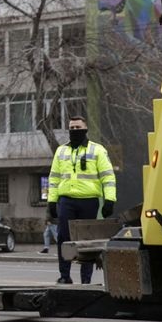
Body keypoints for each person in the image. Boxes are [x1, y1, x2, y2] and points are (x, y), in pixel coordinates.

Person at [47, 115, 116, 284]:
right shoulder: (61, 151)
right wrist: (51, 201)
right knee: (64, 238)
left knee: (87, 241)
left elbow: (108, 177)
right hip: (66, 200)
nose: (75, 131)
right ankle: (65, 276)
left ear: (85, 129)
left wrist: (109, 200)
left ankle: (86, 280)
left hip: (89, 201)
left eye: (78, 128)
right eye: (72, 128)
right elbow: (54, 178)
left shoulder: (97, 150)